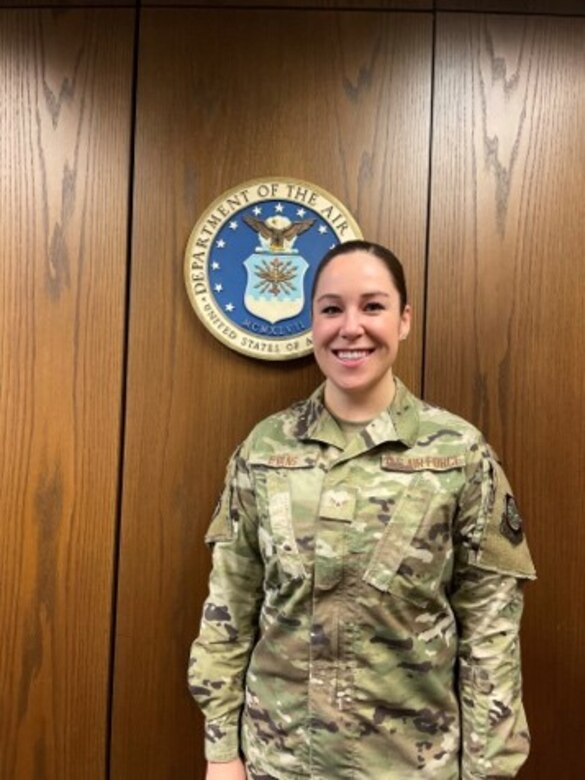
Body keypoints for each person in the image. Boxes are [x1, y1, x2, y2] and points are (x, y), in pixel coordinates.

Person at [188, 240, 536, 779]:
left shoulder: (458, 454)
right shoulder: (264, 450)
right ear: (313, 322)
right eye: (331, 309)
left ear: (403, 320)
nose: (351, 327)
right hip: (278, 763)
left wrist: (490, 772)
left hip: (411, 767)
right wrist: (220, 752)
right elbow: (229, 608)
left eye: (372, 306)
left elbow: (490, 631)